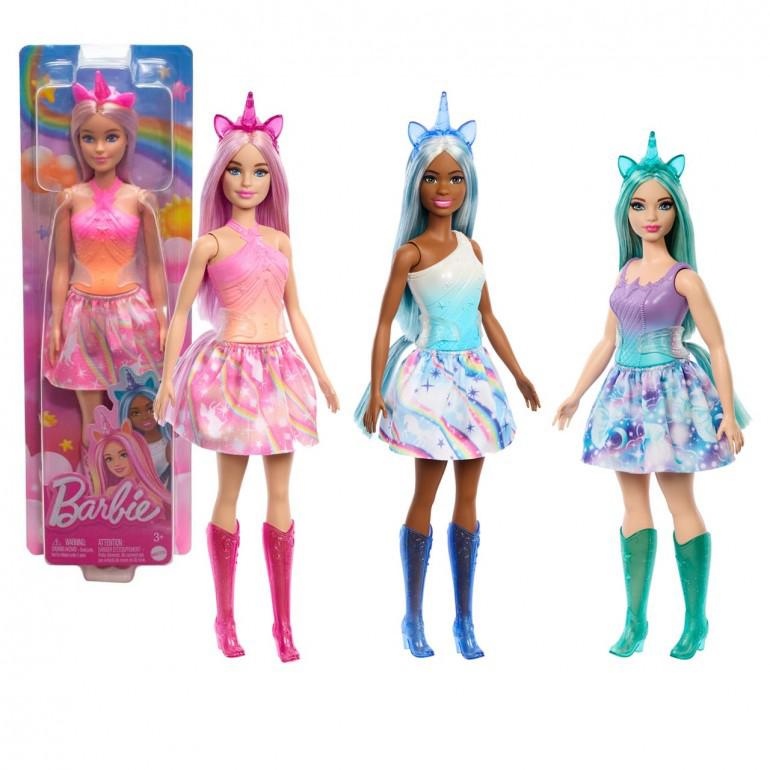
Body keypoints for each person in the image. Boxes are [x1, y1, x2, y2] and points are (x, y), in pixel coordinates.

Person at [155, 92, 339, 661]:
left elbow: (296, 313)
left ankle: (283, 624)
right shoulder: (210, 244)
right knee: (228, 492)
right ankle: (226, 619)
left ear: (272, 180)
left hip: (278, 371)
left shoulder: (281, 241)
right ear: (220, 177)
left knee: (281, 494)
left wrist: (323, 374)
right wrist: (166, 379)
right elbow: (180, 314)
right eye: (236, 170)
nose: (247, 181)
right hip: (231, 373)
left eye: (259, 172)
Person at [356, 93, 540, 659]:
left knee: (469, 498)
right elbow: (383, 322)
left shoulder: (471, 246)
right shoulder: (409, 254)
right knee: (425, 493)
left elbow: (488, 317)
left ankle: (464, 618)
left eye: (455, 178)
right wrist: (375, 389)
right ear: (417, 183)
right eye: (433, 177)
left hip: (476, 381)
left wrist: (520, 374)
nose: (444, 188)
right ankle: (413, 616)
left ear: (468, 184)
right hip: (430, 384)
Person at [553, 132, 748, 659]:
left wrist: (729, 413)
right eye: (639, 206)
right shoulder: (626, 273)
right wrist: (575, 394)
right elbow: (607, 341)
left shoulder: (685, 279)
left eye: (663, 205)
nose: (651, 215)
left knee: (680, 502)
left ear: (677, 211)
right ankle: (635, 621)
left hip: (672, 400)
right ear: (626, 212)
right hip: (623, 398)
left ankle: (695, 621)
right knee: (633, 506)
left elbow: (717, 345)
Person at [44, 71, 167, 444]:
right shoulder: (70, 199)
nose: (99, 148)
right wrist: (55, 322)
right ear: (77, 140)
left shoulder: (140, 199)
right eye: (88, 138)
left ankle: (137, 472)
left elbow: (156, 265)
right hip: (81, 313)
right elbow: (61, 266)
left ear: (127, 139)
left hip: (130, 313)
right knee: (91, 417)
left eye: (111, 137)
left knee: (135, 407)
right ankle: (92, 473)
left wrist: (163, 317)